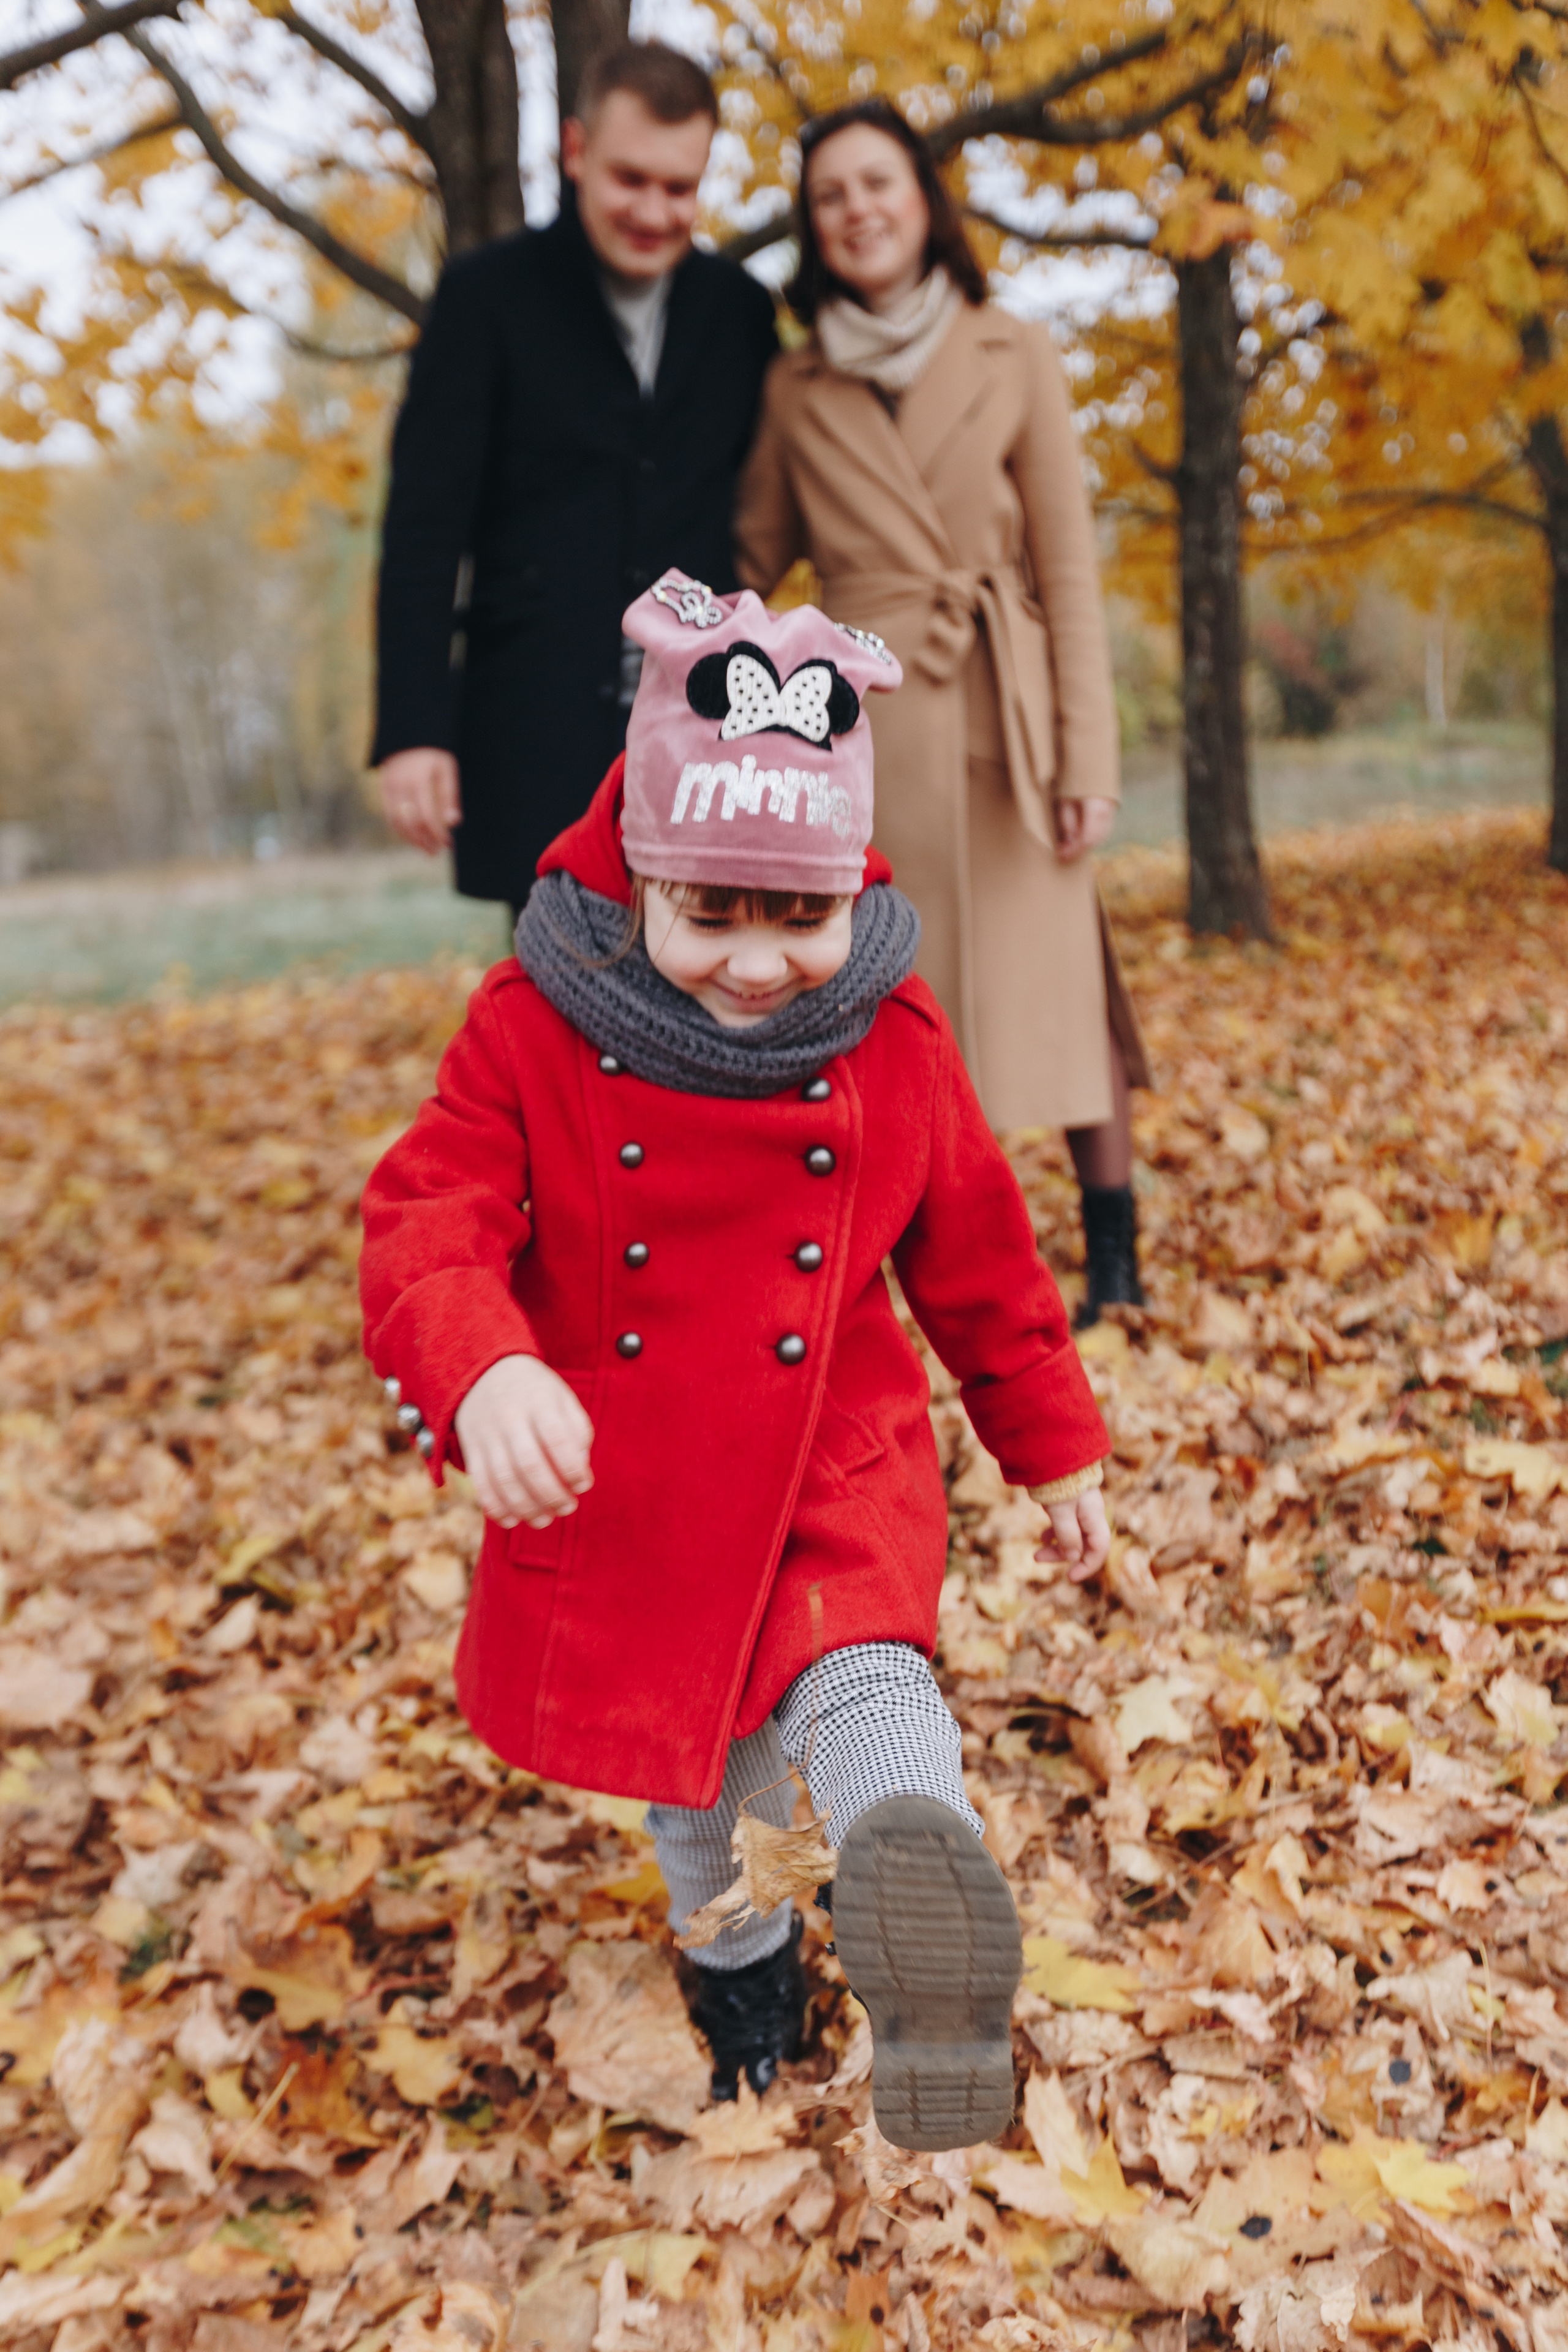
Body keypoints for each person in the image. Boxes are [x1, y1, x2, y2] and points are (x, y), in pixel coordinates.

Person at [360, 570, 1112, 2149]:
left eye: (799, 917)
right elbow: (426, 1216)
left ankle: (919, 1891)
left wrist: (1049, 1443)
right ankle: (748, 1978)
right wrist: (482, 1368)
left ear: (851, 888)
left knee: (866, 1677)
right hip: (628, 1475)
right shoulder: (535, 1026)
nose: (759, 964)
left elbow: (974, 1251)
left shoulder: (887, 1034)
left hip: (831, 1460)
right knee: (706, 1805)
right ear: (638, 873)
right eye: (710, 913)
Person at [734, 99, 1152, 1324]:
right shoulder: (794, 386)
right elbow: (752, 563)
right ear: (815, 228)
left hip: (1004, 710)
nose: (858, 208)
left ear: (921, 200)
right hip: (862, 734)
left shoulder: (1008, 349)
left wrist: (1087, 753)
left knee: (1056, 980)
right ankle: (906, 1261)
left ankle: (1113, 1257)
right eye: (831, 195)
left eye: (879, 183)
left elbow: (1066, 569)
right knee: (886, 1004)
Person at [371, 43, 778, 918]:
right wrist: (411, 730)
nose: (655, 210)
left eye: (681, 188)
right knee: (563, 1020)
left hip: (710, 738)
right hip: (536, 730)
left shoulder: (742, 314)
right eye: (631, 179)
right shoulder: (484, 298)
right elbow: (422, 527)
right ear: (576, 151)